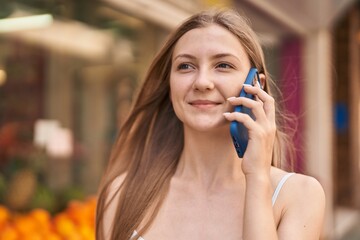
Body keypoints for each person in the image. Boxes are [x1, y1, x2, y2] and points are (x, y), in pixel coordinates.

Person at [95, 8, 325, 240]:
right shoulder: (121, 193)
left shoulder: (298, 196)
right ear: (170, 84)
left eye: (223, 65)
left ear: (256, 85)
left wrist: (257, 177)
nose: (202, 82)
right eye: (186, 66)